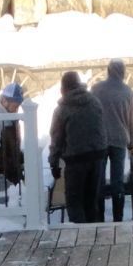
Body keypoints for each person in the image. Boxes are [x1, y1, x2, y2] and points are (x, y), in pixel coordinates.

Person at [48, 71, 108, 223]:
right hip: (98, 156)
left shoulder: (62, 110)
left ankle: (80, 236)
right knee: (91, 201)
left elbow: (56, 140)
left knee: (74, 202)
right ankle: (95, 235)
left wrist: (54, 164)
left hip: (76, 159)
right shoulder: (94, 101)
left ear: (63, 89)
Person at [91, 58, 133, 221]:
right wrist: (131, 143)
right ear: (123, 72)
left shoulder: (96, 89)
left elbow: (91, 114)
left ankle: (99, 217)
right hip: (120, 140)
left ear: (108, 71)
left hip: (100, 140)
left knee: (98, 180)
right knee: (117, 180)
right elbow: (131, 121)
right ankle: (117, 218)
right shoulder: (128, 92)